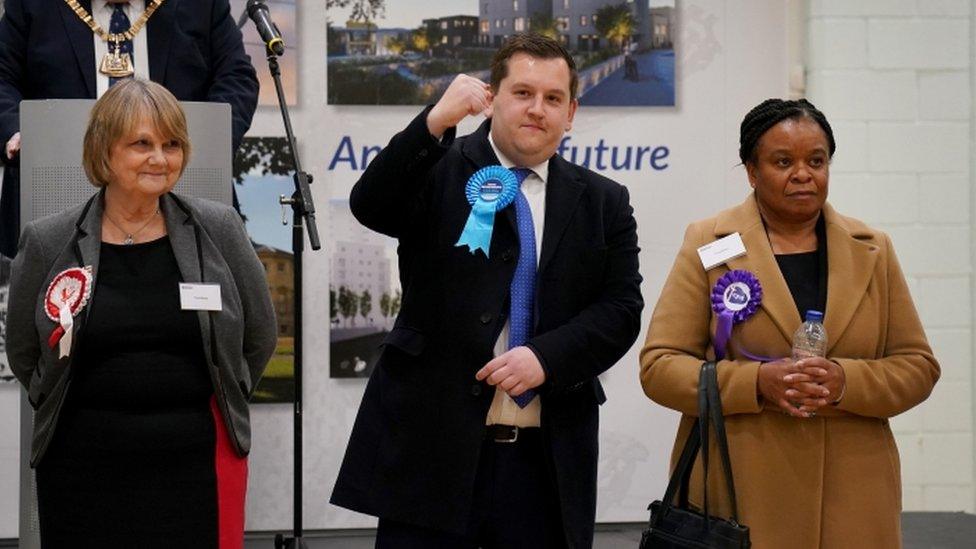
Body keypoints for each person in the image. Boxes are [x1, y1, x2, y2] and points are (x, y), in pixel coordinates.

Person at [331, 33, 644, 548]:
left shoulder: (605, 201)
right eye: (522, 93)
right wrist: (436, 120)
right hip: (432, 456)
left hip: (545, 466)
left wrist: (545, 358)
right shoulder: (436, 166)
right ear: (491, 97)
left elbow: (620, 309)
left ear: (571, 112)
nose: (537, 109)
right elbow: (372, 205)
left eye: (553, 98)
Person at [640, 98, 940, 548]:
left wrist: (843, 381)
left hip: (855, 499)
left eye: (816, 161)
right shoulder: (709, 243)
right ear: (751, 171)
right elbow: (659, 368)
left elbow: (918, 367)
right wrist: (757, 382)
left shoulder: (873, 248)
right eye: (784, 161)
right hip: (740, 497)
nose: (803, 174)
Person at [6, 78, 276, 547]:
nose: (160, 158)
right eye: (142, 144)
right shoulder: (49, 240)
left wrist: (225, 392)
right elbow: (24, 350)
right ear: (104, 152)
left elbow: (260, 334)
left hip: (195, 464)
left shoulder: (219, 228)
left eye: (172, 144)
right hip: (81, 466)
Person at [0, 0, 260, 258]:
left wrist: (206, 145)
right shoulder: (32, 4)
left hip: (180, 187)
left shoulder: (202, 5)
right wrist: (15, 131)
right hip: (54, 187)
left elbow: (237, 77)